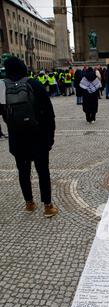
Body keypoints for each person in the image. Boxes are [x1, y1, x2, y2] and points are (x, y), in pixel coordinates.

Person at [0, 57, 58, 217]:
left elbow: (3, 113)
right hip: (38, 137)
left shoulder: (2, 87)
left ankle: (29, 204)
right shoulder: (35, 84)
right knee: (43, 172)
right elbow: (49, 113)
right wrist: (50, 136)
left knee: (23, 172)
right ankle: (48, 206)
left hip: (17, 138)